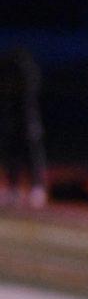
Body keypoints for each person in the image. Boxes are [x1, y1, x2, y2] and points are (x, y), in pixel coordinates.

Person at [0, 48, 48, 209]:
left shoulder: (28, 74)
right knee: (12, 153)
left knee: (32, 154)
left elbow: (29, 96)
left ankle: (37, 189)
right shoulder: (7, 75)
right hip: (13, 119)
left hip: (28, 119)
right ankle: (14, 189)